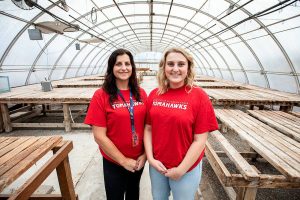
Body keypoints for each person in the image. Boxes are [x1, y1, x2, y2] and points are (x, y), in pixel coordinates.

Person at [144, 47, 218, 200]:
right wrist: (151, 159)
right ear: (164, 68)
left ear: (188, 68)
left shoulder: (199, 97)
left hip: (186, 168)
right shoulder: (154, 95)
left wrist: (180, 170)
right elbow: (148, 129)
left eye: (181, 64)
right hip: (157, 166)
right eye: (170, 64)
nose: (175, 69)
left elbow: (200, 140)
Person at [85, 49, 147, 200]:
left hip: (138, 160)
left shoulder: (141, 93)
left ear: (132, 67)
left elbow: (148, 128)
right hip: (114, 161)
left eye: (127, 63)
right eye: (118, 64)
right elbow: (99, 136)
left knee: (133, 194)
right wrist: (123, 161)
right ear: (111, 68)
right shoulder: (101, 95)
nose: (124, 67)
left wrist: (145, 155)